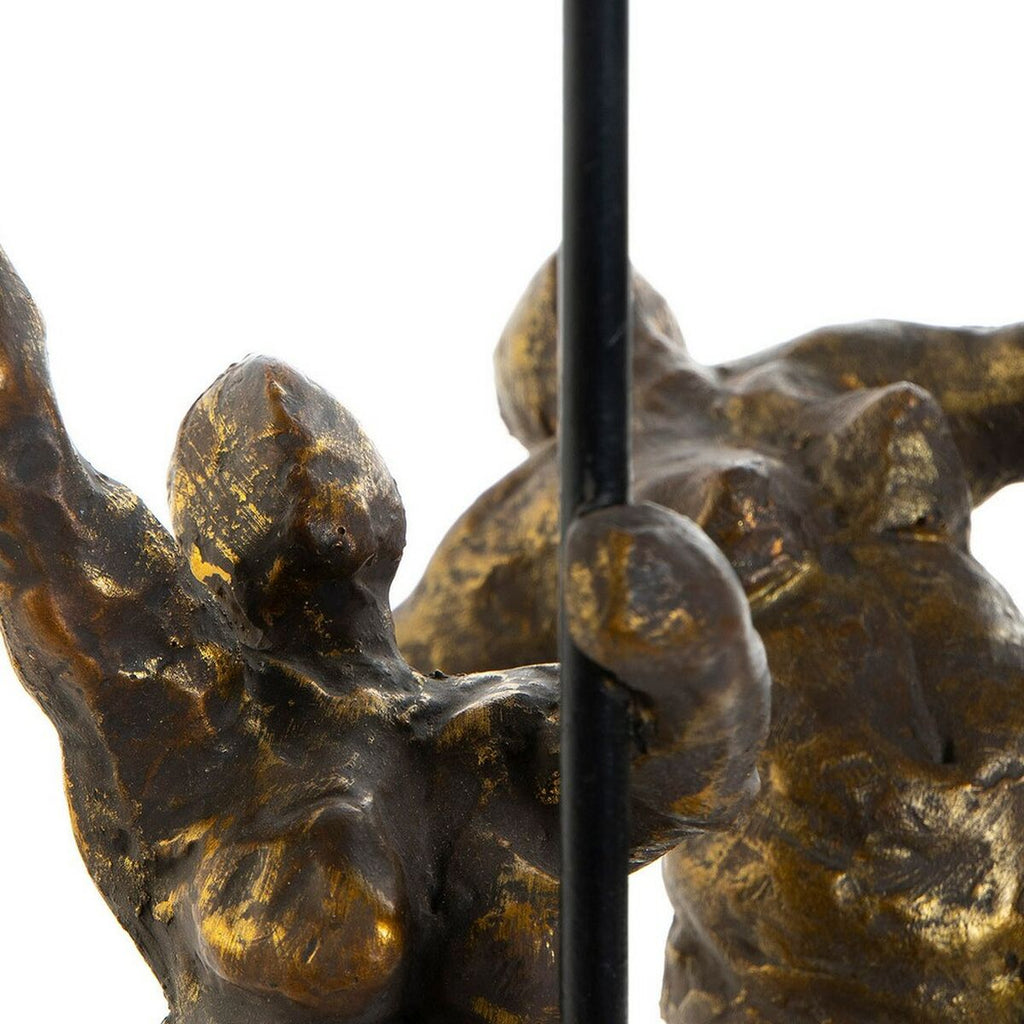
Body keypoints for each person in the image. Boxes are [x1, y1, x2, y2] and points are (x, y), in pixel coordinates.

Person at [0, 246, 768, 1024]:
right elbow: (28, 475)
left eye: (323, 424)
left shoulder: (508, 732)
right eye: (239, 450)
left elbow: (699, 753)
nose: (284, 412)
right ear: (204, 560)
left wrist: (683, 618)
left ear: (392, 506)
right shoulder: (189, 717)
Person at [397, 255, 1024, 1022]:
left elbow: (1009, 369)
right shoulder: (534, 514)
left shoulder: (825, 368)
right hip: (820, 893)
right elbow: (400, 710)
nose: (569, 305)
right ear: (533, 406)